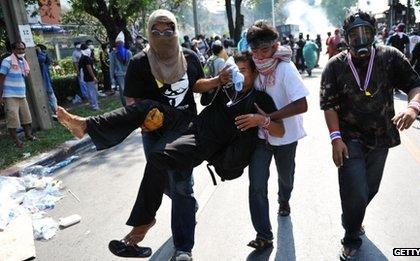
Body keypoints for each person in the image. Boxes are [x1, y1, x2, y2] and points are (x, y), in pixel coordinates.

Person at [57, 52, 284, 259]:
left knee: (158, 159)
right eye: (237, 69)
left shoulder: (260, 99)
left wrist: (260, 120)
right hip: (189, 122)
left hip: (203, 143)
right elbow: (201, 93)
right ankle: (85, 125)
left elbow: (279, 129)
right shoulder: (227, 88)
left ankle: (143, 225)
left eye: (243, 71)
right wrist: (219, 80)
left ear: (254, 73)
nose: (239, 74)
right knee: (146, 107)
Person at [119, 10, 230, 261]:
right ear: (149, 32)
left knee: (180, 188)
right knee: (164, 183)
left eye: (168, 30)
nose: (162, 35)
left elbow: (196, 84)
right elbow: (130, 98)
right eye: (156, 31)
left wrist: (216, 80)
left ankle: (183, 248)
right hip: (154, 134)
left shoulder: (189, 56)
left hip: (185, 132)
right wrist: (139, 120)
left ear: (175, 31)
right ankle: (187, 206)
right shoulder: (139, 62)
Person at [320, 12, 420, 260]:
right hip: (349, 139)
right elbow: (328, 105)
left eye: (365, 33)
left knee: (369, 189)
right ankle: (351, 236)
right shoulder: (335, 66)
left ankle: (352, 218)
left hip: (381, 138)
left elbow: (415, 84)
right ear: (346, 38)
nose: (361, 39)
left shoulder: (390, 57)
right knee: (354, 190)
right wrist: (336, 139)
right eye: (354, 35)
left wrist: (412, 108)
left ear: (374, 33)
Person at [245, 20, 309, 250]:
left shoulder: (285, 69)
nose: (260, 55)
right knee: (257, 185)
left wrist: (270, 117)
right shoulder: (251, 67)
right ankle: (264, 234)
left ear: (274, 46)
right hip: (260, 138)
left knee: (286, 177)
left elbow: (302, 104)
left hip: (285, 136)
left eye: (264, 50)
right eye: (255, 50)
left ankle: (284, 200)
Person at [0, 41, 37, 148]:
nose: (21, 51)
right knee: (13, 119)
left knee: (26, 117)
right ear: (13, 50)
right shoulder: (7, 61)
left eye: (23, 49)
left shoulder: (22, 62)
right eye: (19, 49)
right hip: (10, 95)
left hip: (21, 94)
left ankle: (28, 135)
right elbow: (1, 79)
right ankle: (16, 141)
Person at [110, 32, 133, 106]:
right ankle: (129, 105)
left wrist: (112, 78)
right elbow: (131, 65)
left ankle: (127, 105)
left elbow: (112, 67)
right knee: (127, 90)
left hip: (122, 75)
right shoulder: (128, 52)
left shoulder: (113, 53)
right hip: (125, 74)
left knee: (124, 91)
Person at [36, 44, 58, 117]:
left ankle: (55, 114)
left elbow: (48, 60)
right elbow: (41, 59)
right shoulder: (39, 62)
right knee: (50, 99)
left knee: (51, 99)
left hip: (47, 83)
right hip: (44, 84)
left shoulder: (44, 62)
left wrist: (41, 52)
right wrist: (40, 52)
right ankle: (53, 114)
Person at [79, 44, 99, 110]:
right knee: (93, 92)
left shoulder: (82, 57)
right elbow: (89, 68)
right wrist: (94, 77)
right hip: (90, 77)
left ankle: (92, 104)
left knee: (90, 91)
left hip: (86, 77)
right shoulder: (86, 58)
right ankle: (95, 106)